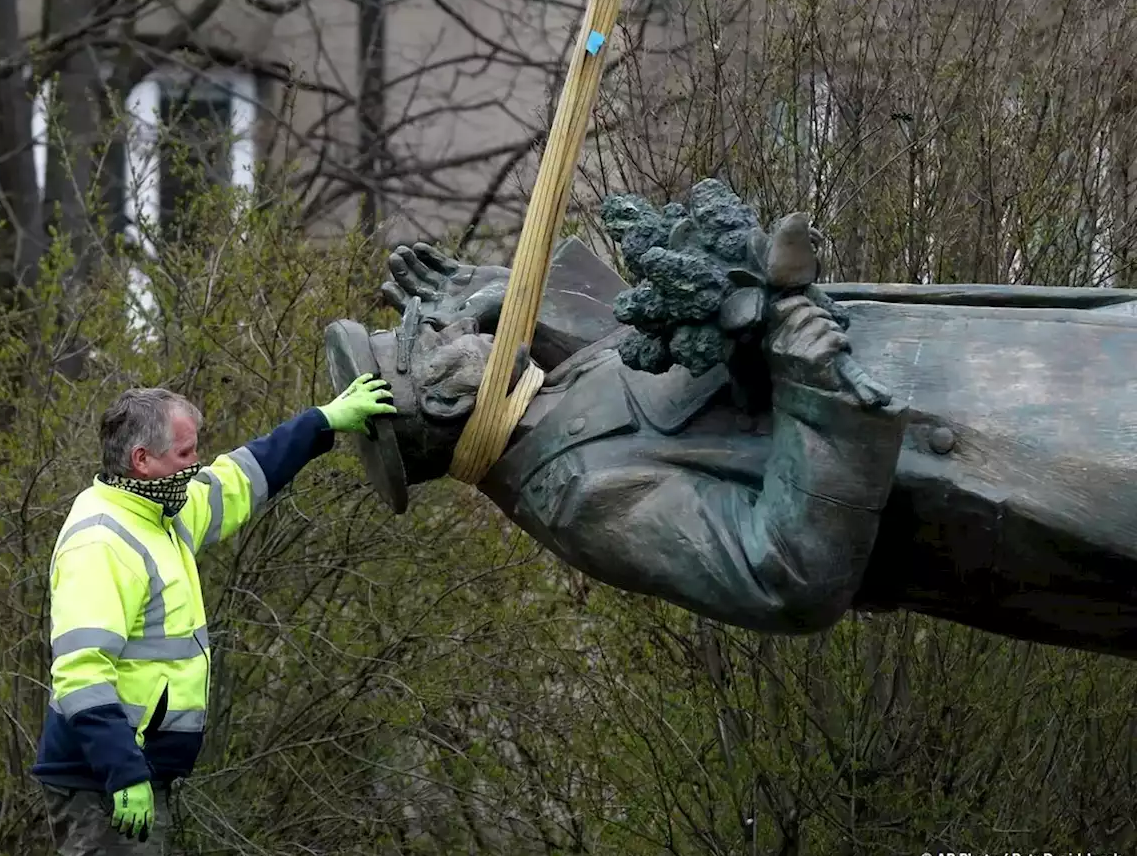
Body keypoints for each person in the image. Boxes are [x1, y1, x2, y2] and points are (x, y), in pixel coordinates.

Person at [323, 234, 1137, 662]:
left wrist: (520, 295)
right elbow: (784, 575)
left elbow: (638, 346)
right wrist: (815, 394)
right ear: (443, 397)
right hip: (1011, 458)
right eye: (426, 342)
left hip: (1009, 359)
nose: (445, 324)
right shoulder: (575, 492)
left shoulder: (549, 392)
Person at [33, 375, 395, 856]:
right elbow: (81, 672)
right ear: (143, 460)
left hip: (132, 771)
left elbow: (240, 479)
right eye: (185, 454)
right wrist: (123, 774)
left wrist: (323, 421)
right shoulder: (101, 541)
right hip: (103, 780)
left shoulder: (163, 510)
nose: (195, 464)